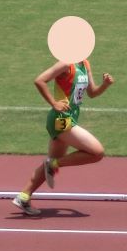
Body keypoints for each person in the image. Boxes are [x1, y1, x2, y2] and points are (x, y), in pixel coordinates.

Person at [12, 55, 113, 212]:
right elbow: (39, 80)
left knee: (53, 160)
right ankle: (53, 165)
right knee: (97, 152)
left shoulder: (84, 64)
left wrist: (105, 85)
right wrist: (54, 103)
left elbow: (92, 93)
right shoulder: (66, 63)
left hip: (71, 117)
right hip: (61, 120)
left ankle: (24, 197)